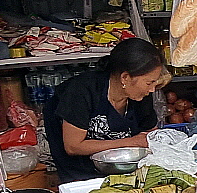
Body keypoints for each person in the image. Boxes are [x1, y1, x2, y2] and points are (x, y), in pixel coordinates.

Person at [44, 38, 164, 183]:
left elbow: (150, 132)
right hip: (79, 165)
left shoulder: (141, 95)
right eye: (149, 82)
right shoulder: (81, 91)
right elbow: (73, 146)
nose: (152, 89)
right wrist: (131, 142)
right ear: (125, 77)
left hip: (121, 163)